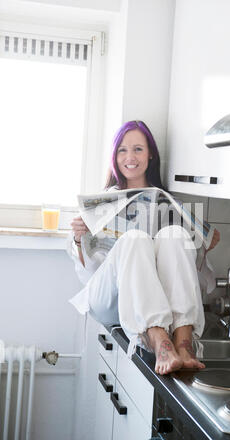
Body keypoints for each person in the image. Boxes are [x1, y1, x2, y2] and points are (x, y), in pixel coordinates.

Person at [68, 120, 220, 375]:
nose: (130, 157)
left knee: (174, 234)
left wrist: (204, 246)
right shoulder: (100, 202)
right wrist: (78, 239)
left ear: (151, 154)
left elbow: (191, 278)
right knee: (135, 238)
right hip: (109, 298)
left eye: (138, 149)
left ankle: (183, 341)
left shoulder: (168, 202)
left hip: (150, 301)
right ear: (114, 157)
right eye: (122, 150)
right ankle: (158, 340)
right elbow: (89, 274)